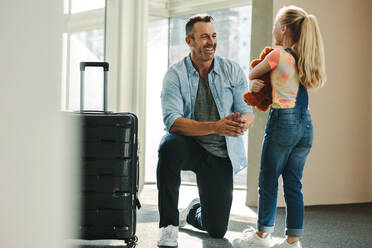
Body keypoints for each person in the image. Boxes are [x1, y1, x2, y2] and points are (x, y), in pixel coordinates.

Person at [156, 14, 255, 247]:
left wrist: (243, 122)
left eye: (213, 36)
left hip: (220, 155)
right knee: (168, 146)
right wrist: (215, 126)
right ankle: (168, 225)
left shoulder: (232, 70)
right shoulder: (175, 75)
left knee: (217, 230)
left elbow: (247, 110)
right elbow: (172, 121)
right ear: (189, 41)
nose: (210, 42)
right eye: (204, 37)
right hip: (190, 145)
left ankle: (193, 212)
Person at [233, 5, 326, 248]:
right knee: (294, 183)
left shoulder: (277, 55)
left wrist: (256, 83)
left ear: (283, 29)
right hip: (305, 125)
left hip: (283, 122)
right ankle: (293, 241)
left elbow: (252, 73)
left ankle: (262, 236)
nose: (273, 28)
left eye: (275, 24)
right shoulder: (304, 57)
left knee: (268, 179)